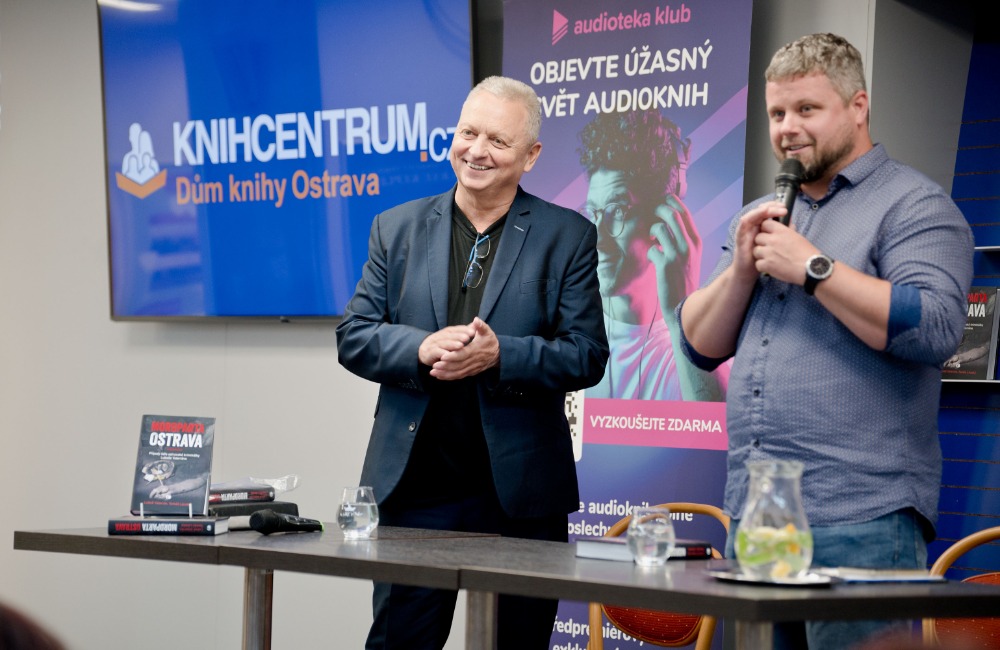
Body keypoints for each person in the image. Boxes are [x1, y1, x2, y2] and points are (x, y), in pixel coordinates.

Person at [676, 33, 974, 649]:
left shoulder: (915, 204)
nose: (787, 128)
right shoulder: (763, 212)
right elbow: (700, 345)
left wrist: (813, 269)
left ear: (858, 107)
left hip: (862, 516)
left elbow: (937, 326)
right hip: (758, 518)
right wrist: (741, 270)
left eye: (807, 109)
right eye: (777, 113)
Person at [336, 76, 609, 650]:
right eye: (468, 133)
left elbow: (587, 354)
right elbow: (354, 335)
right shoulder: (396, 227)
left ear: (531, 156)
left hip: (519, 495)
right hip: (416, 489)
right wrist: (418, 348)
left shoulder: (568, 236)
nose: (477, 151)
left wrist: (501, 354)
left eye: (498, 141)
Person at [578, 110, 727, 401]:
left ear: (663, 218)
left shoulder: (703, 351)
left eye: (617, 210)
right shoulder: (566, 334)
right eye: (592, 212)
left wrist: (681, 313)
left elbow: (709, 426)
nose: (597, 237)